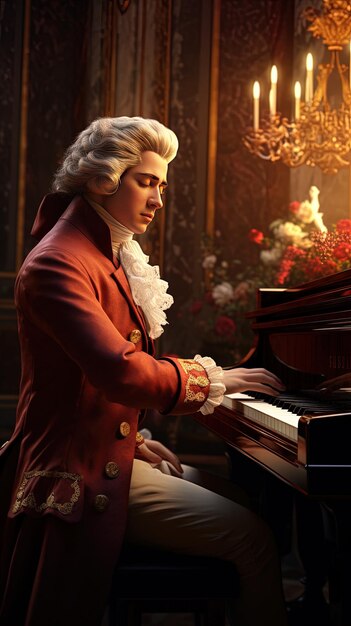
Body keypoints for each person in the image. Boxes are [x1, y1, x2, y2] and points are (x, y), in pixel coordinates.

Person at [0, 116, 288, 626]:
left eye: (162, 184)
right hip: (79, 469)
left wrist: (132, 440)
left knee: (242, 499)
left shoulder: (104, 252)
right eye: (146, 182)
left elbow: (88, 386)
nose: (158, 199)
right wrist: (214, 379)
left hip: (108, 450)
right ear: (101, 179)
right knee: (254, 537)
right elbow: (120, 370)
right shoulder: (58, 263)